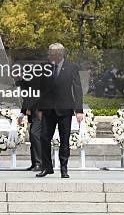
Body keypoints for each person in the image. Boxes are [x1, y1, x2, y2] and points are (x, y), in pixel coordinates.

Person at [37, 43, 84, 179]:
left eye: (51, 53)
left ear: (59, 54)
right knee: (44, 138)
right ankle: (47, 167)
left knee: (64, 140)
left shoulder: (71, 67)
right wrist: (40, 108)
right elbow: (42, 89)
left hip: (64, 110)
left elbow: (77, 89)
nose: (48, 55)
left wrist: (79, 110)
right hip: (48, 110)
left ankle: (64, 168)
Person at [16, 62, 43, 172]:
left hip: (40, 112)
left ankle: (39, 163)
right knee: (33, 137)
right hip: (34, 112)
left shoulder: (34, 80)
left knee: (35, 135)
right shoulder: (26, 81)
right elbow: (26, 98)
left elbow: (34, 97)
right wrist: (23, 113)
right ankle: (35, 163)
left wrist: (26, 109)